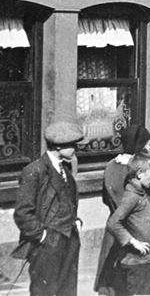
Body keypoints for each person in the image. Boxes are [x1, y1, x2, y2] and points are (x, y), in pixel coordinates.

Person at [12, 120, 85, 296]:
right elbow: (23, 213)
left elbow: (67, 201)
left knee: (67, 291)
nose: (76, 148)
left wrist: (75, 221)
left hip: (69, 241)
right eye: (73, 145)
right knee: (44, 291)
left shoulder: (65, 169)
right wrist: (42, 236)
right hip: (47, 245)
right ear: (58, 146)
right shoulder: (34, 171)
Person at [95, 124, 150, 295]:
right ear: (140, 146)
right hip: (136, 230)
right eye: (148, 144)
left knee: (113, 281)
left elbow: (106, 197)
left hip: (114, 231)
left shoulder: (111, 165)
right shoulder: (138, 170)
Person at [105, 153, 150, 295]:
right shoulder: (132, 196)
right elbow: (113, 223)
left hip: (147, 260)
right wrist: (132, 241)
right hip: (136, 262)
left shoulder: (143, 193)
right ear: (140, 174)